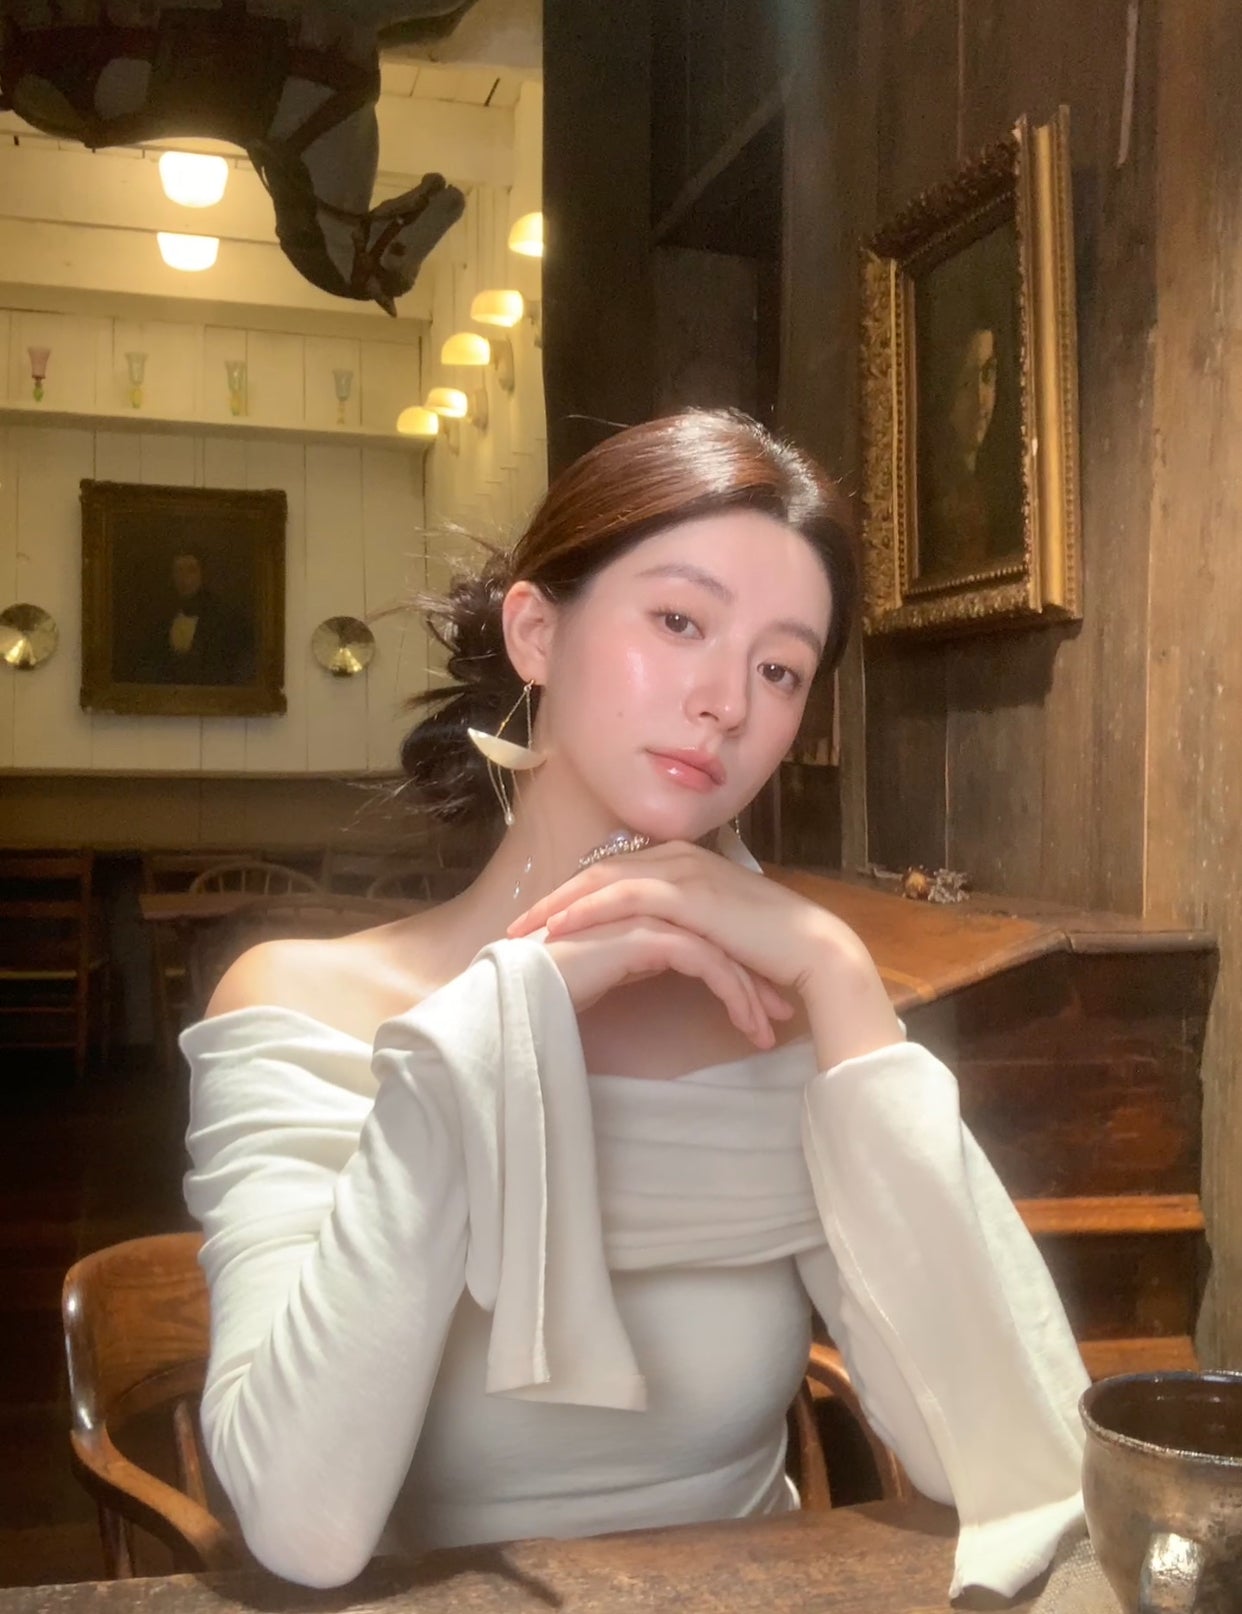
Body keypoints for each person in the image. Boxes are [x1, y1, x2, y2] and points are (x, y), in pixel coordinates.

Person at [182, 410, 1088, 1597]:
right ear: (537, 631)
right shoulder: (305, 1005)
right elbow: (298, 1527)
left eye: (779, 669)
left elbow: (1007, 1461)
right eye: (678, 622)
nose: (726, 702)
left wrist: (841, 978)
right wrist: (491, 1039)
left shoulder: (779, 1021)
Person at [137, 551, 252, 685]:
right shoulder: (162, 618)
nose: (184, 579)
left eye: (191, 571)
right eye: (179, 571)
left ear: (203, 575)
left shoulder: (224, 617)